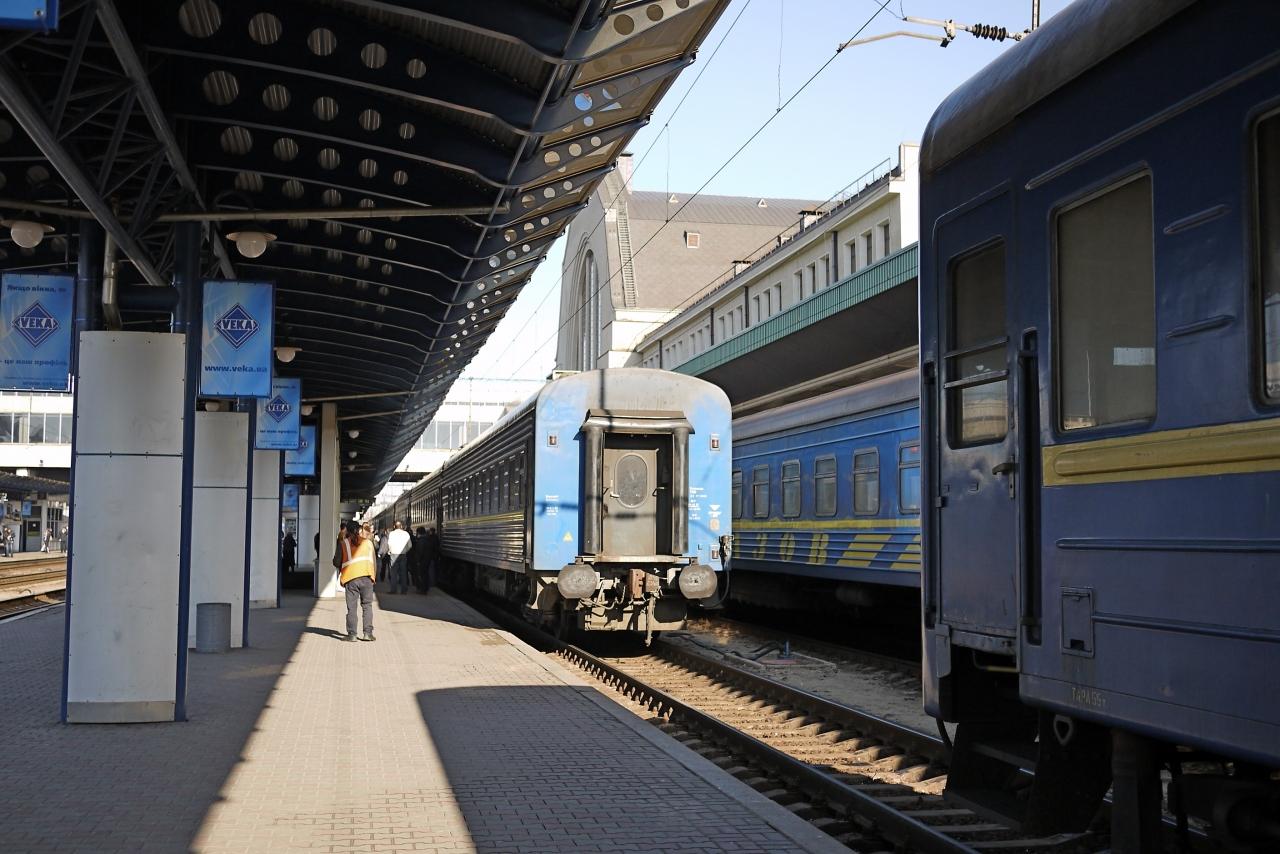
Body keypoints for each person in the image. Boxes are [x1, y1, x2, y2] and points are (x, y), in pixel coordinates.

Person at [338, 521, 376, 642]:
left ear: (347, 531)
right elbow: (373, 561)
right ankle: (368, 634)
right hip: (366, 576)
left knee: (352, 608)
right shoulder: (368, 543)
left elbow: (336, 561)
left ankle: (352, 635)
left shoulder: (343, 543)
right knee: (367, 606)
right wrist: (373, 577)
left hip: (350, 578)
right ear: (359, 530)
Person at [385, 520, 413, 595]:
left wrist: (390, 550)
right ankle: (404, 590)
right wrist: (405, 551)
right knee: (403, 573)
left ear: (394, 526)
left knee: (393, 573)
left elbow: (389, 544)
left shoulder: (392, 534)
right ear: (401, 526)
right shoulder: (406, 534)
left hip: (394, 554)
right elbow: (410, 545)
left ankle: (393, 590)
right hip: (403, 555)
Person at [424, 526, 440, 591]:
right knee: (433, 570)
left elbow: (431, 548)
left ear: (431, 531)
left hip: (431, 557)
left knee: (431, 570)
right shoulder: (436, 538)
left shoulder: (430, 538)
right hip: (434, 556)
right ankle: (433, 582)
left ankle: (431, 583)